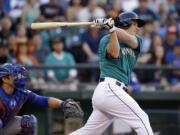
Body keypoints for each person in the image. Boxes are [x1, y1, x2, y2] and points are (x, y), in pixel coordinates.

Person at [70, 11, 154, 135]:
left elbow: (129, 39)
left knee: (89, 132)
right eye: (135, 24)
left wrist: (112, 28)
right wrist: (112, 30)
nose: (137, 27)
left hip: (111, 93)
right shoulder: (106, 39)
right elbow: (114, 54)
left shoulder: (137, 41)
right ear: (125, 24)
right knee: (142, 118)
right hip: (110, 88)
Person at [0, 63, 83, 135]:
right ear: (4, 79)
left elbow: (42, 100)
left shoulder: (21, 92)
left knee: (28, 122)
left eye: (18, 74)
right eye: (14, 75)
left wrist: (63, 103)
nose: (19, 77)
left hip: (5, 125)